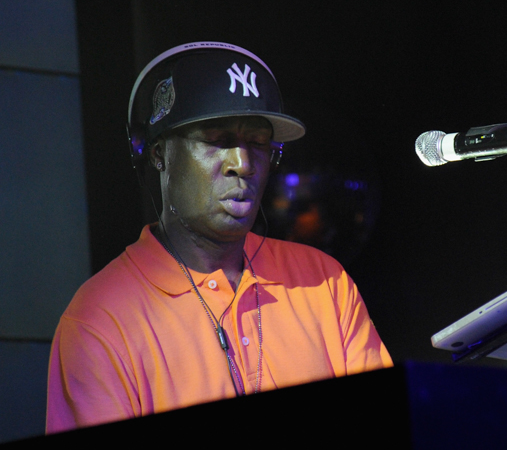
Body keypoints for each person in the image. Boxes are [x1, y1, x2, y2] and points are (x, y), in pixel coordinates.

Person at [46, 42, 392, 433]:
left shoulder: (324, 281)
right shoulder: (100, 319)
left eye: (258, 143)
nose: (242, 164)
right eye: (218, 140)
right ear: (157, 154)